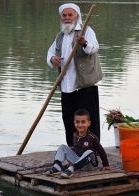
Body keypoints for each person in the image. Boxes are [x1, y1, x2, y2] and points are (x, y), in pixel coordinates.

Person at [47, 3, 102, 147]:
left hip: (85, 85)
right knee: (70, 120)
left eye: (70, 15)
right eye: (64, 15)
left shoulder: (86, 31)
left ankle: (93, 150)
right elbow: (50, 53)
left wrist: (84, 43)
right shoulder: (60, 36)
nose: (67, 18)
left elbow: (94, 48)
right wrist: (53, 59)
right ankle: (73, 149)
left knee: (88, 120)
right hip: (66, 85)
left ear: (76, 16)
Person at [44, 109, 113, 178]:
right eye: (77, 122)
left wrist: (106, 165)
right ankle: (57, 166)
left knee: (89, 152)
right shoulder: (75, 135)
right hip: (78, 164)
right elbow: (77, 148)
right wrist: (69, 152)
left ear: (89, 123)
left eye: (83, 122)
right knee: (62, 147)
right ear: (74, 123)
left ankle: (71, 169)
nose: (80, 125)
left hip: (89, 165)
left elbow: (101, 150)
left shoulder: (92, 137)